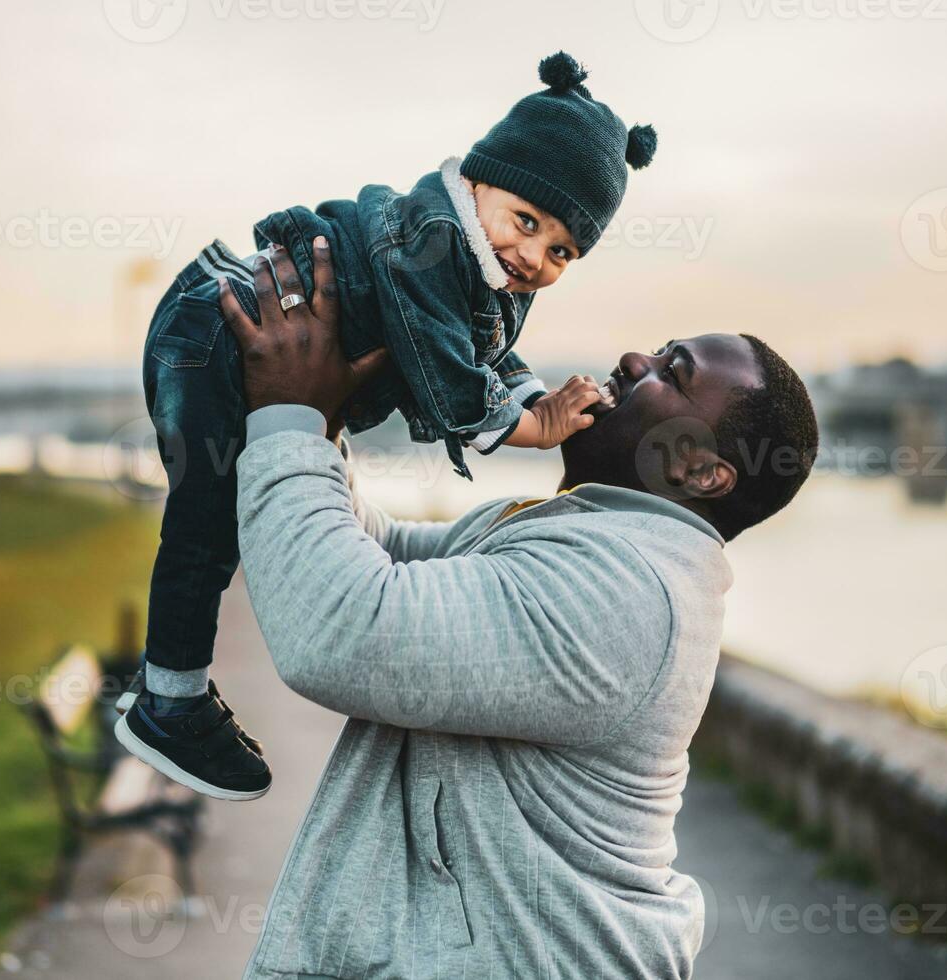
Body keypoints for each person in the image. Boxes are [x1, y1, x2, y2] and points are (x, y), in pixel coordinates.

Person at [221, 243, 818, 979]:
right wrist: (323, 416)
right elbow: (381, 556)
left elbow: (342, 629)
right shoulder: (592, 536)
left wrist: (290, 416)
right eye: (661, 353)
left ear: (700, 470)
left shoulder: (626, 591)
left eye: (674, 374)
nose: (635, 360)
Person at [117, 52, 658, 800]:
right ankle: (168, 704)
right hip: (218, 329)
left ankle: (164, 685)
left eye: (562, 250)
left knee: (225, 523)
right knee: (206, 524)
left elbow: (485, 344)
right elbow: (444, 366)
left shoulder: (484, 256)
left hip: (231, 335)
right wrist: (528, 429)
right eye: (527, 222)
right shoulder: (436, 237)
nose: (533, 256)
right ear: (478, 181)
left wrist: (535, 394)